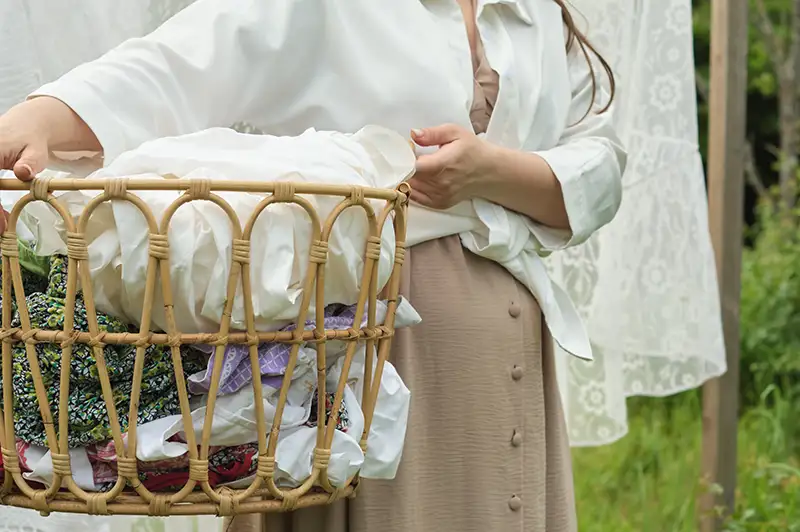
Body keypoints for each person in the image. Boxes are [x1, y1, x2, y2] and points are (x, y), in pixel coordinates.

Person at [0, 0, 625, 530]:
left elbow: (600, 162)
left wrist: (489, 171)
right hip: (364, 349)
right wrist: (38, 119)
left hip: (508, 348)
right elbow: (181, 61)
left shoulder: (532, 11)